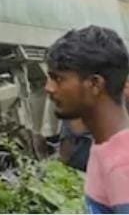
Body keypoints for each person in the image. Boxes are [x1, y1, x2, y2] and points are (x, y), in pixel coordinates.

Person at [46, 25, 129, 213]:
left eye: (58, 79)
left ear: (94, 84)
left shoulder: (123, 164)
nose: (49, 88)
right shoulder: (104, 148)